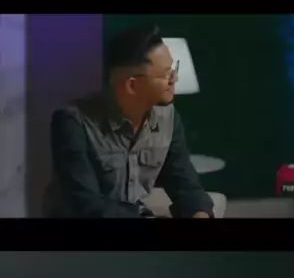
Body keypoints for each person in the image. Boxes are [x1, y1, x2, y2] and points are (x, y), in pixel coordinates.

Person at [44, 25, 226, 218]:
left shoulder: (167, 117)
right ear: (132, 85)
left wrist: (199, 212)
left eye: (174, 70)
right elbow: (85, 203)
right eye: (165, 74)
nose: (175, 79)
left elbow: (185, 183)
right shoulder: (73, 122)